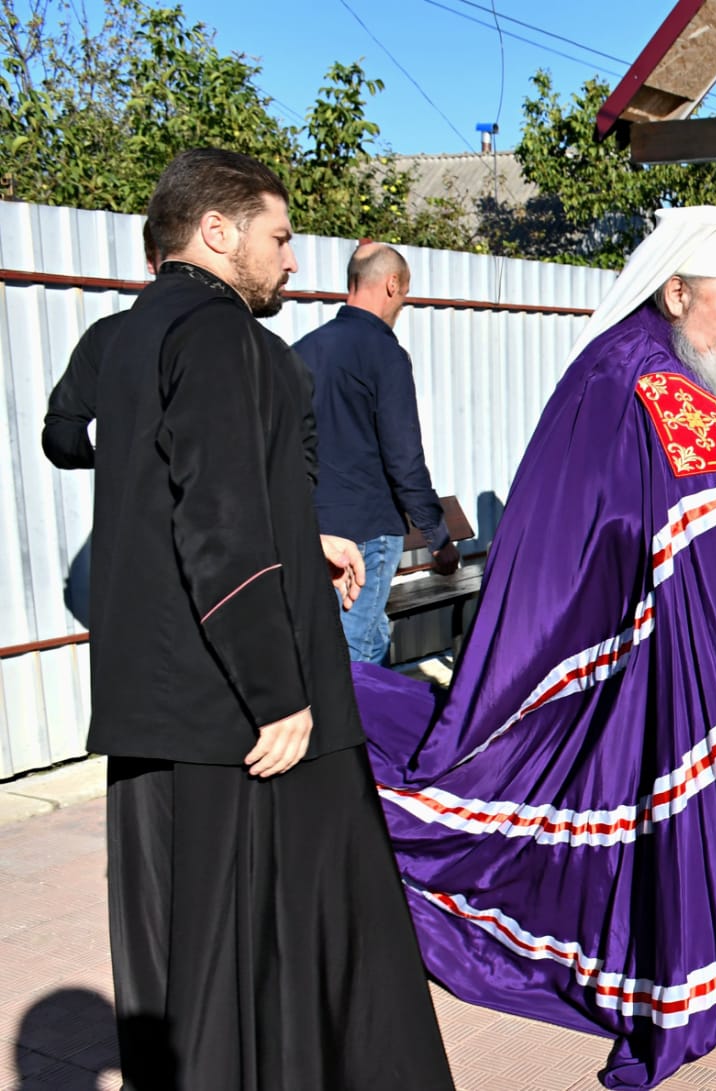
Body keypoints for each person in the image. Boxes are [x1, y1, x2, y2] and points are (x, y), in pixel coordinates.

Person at [351, 206, 716, 1089]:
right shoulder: (637, 373)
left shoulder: (668, 362)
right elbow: (644, 517)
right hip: (640, 652)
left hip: (695, 644)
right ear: (676, 291)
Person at [60, 147, 452, 1089]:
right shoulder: (224, 335)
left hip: (149, 699)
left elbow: (81, 444)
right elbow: (219, 522)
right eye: (279, 237)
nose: (291, 261)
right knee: (263, 945)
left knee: (173, 955)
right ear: (218, 231)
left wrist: (296, 529)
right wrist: (280, 694)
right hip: (234, 699)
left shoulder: (121, 337)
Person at [296, 242, 460, 663]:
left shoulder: (302, 351)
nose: (400, 305)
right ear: (392, 285)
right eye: (403, 295)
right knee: (359, 653)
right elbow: (404, 458)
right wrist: (438, 539)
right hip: (367, 531)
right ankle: (360, 731)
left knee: (339, 647)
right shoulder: (385, 355)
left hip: (312, 533)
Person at [40, 224, 162, 469]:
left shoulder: (252, 338)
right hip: (140, 505)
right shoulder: (109, 337)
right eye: (176, 258)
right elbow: (60, 434)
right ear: (151, 262)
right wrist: (120, 432)